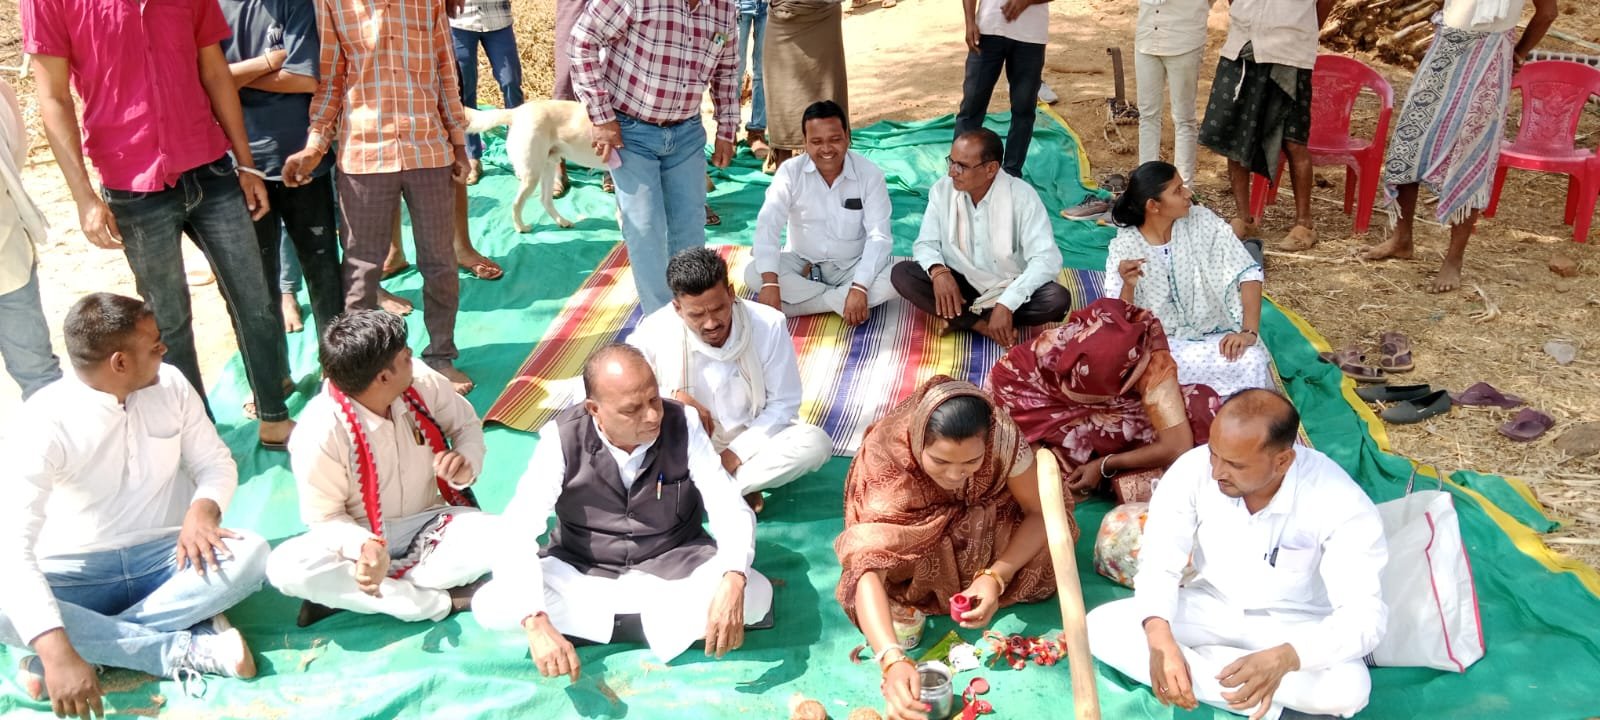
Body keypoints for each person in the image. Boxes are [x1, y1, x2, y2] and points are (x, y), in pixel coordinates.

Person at [24, 0, 295, 448]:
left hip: (210, 167)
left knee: (255, 300)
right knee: (166, 324)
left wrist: (246, 165)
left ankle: (273, 417)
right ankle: (199, 433)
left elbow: (213, 70)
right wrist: (84, 197)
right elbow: (51, 96)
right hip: (132, 183)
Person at [0, 293, 269, 716]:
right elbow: (12, 546)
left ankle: (95, 646)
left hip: (170, 559)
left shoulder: (173, 385)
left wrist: (203, 508)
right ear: (120, 363)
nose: (165, 349)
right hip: (78, 572)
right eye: (154, 345)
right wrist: (56, 653)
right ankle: (181, 648)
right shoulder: (43, 420)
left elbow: (215, 462)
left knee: (251, 552)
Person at [1087, 389, 1387, 720]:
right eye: (1215, 453)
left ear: (1283, 461)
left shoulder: (1338, 500)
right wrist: (1160, 642)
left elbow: (1365, 617)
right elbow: (1160, 564)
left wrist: (1285, 658)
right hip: (1211, 605)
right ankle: (1268, 703)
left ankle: (1204, 668)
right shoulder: (1193, 470)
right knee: (1100, 627)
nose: (1216, 471)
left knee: (1348, 691)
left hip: (1293, 625)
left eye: (1234, 464)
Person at [473, 344, 772, 673]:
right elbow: (516, 531)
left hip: (675, 570)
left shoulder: (682, 422)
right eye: (633, 409)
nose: (653, 415)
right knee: (491, 605)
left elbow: (728, 504)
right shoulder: (560, 439)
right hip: (584, 573)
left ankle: (598, 628)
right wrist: (535, 620)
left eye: (654, 399)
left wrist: (733, 579)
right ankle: (655, 626)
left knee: (755, 593)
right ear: (594, 409)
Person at [835, 377, 1066, 720]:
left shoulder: (1001, 436)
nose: (956, 474)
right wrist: (892, 658)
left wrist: (995, 577)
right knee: (869, 557)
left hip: (986, 519)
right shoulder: (887, 454)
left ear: (986, 445)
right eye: (940, 461)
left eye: (971, 462)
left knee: (1053, 543)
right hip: (911, 532)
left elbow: (1039, 511)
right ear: (917, 443)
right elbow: (867, 561)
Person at [282, 0, 478, 395]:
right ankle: (369, 366)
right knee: (360, 270)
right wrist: (316, 145)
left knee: (439, 263)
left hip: (428, 149)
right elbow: (332, 79)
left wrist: (459, 142)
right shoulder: (334, 4)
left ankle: (440, 356)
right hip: (364, 153)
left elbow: (444, 71)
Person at [267, 310, 496, 625]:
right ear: (383, 377)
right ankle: (439, 602)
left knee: (503, 537)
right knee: (287, 567)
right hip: (358, 537)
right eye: (404, 356)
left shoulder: (423, 381)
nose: (412, 357)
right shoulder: (318, 432)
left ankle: (350, 596)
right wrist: (364, 548)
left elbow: (467, 427)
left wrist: (464, 463)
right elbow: (326, 518)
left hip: (430, 525)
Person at [1363, 0, 1558, 292]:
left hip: (1490, 57)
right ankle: (1402, 240)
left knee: (1472, 150)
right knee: (1410, 139)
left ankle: (1453, 260)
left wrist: (1517, 53)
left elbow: (1547, 13)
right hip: (1444, 50)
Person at [630, 247, 832, 510]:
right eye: (697, 315)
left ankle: (698, 492)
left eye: (718, 309)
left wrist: (733, 455)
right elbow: (622, 380)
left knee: (815, 443)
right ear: (678, 308)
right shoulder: (656, 329)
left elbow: (784, 404)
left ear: (731, 293)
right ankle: (734, 488)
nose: (711, 323)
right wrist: (673, 396)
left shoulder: (768, 323)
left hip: (751, 440)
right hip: (685, 444)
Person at [571, 0, 740, 313]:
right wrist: (601, 115)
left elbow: (727, 72)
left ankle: (693, 311)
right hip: (630, 131)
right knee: (645, 228)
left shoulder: (725, 8)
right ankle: (661, 321)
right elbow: (582, 40)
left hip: (687, 132)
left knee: (690, 227)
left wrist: (727, 130)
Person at [988, 298, 1220, 504]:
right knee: (1019, 465)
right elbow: (1002, 387)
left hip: (1130, 415)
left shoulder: (1153, 364)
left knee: (1200, 407)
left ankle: (1111, 472)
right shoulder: (1057, 346)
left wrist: (1105, 464)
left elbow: (1177, 445)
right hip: (1064, 417)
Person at [220, 0, 346, 344]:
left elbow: (304, 79)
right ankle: (277, 377)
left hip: (302, 158)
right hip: (241, 164)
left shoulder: (296, 5)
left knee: (323, 271)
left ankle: (336, 368)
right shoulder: (210, 8)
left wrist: (233, 77)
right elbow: (207, 80)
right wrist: (267, 62)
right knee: (257, 281)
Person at [1105, 161, 1274, 397]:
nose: (1188, 194)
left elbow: (1249, 271)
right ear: (1153, 206)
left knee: (1252, 359)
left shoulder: (1203, 221)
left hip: (1214, 335)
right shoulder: (1125, 245)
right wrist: (1128, 285)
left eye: (1183, 186)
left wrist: (1248, 332)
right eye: (1177, 191)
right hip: (1161, 345)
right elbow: (1118, 318)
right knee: (1141, 368)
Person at [892, 129, 1070, 348]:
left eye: (962, 166)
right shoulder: (942, 190)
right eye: (951, 162)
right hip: (960, 285)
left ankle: (962, 319)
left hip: (1008, 284)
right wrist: (939, 271)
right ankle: (981, 326)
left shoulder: (1022, 197)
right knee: (902, 274)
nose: (952, 172)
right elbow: (926, 243)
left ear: (991, 169)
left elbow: (1046, 259)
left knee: (1056, 300)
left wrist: (1007, 303)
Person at [1197, 0, 1334, 252]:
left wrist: (1301, 28)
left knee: (1294, 140)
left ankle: (1305, 223)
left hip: (1289, 51)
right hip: (1243, 46)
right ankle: (1244, 218)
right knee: (1235, 134)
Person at [746, 100, 895, 324]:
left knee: (896, 277)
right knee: (754, 273)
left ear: (847, 135)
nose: (826, 149)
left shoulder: (870, 174)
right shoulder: (790, 172)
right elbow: (769, 224)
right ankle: (839, 301)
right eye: (816, 141)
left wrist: (860, 286)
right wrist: (770, 282)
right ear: (805, 142)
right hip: (802, 264)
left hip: (851, 267)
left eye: (835, 139)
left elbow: (879, 236)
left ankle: (799, 307)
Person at [0, 78, 62, 400]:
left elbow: (14, 160)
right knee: (38, 374)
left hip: (9, 261)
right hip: (9, 256)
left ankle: (66, 448)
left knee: (39, 377)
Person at [955, 0, 1051, 178]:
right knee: (971, 106)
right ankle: (960, 171)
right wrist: (969, 21)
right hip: (987, 30)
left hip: (1030, 37)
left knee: (1023, 110)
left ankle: (1012, 175)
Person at [761, 0, 847, 173]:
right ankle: (783, 189)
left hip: (823, 13)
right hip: (782, 16)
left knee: (827, 95)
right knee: (782, 100)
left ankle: (833, 181)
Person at [1134, 0, 1213, 188]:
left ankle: (1184, 187)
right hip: (1146, 39)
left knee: (1184, 118)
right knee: (1147, 114)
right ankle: (1145, 185)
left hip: (1184, 40)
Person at [451, 0, 525, 185]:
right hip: (461, 20)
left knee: (511, 83)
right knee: (464, 89)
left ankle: (520, 154)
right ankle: (472, 155)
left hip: (498, 18)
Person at [737, 0, 772, 159]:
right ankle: (728, 131)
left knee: (765, 69)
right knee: (733, 71)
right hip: (737, 5)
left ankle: (757, 131)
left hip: (769, 5)